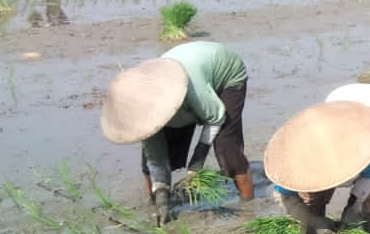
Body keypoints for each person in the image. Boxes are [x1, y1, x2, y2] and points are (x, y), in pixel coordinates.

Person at [99, 40, 254, 224]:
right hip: (185, 89)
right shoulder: (145, 112)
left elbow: (215, 117)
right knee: (150, 157)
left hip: (226, 75)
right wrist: (162, 193)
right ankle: (154, 204)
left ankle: (248, 205)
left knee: (226, 147)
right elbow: (156, 156)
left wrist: (197, 160)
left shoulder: (191, 90)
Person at [262, 84, 370, 234]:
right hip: (340, 100)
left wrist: (353, 206)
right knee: (311, 196)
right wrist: (311, 220)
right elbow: (282, 194)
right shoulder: (299, 157)